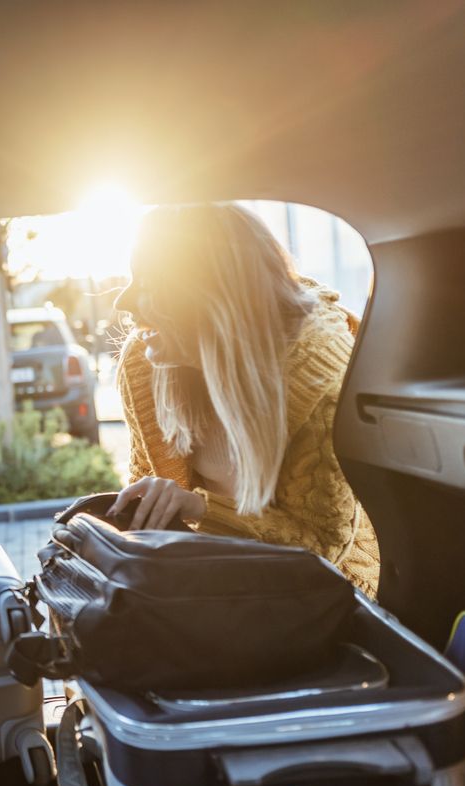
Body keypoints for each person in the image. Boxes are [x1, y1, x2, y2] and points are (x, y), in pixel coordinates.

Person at [110, 203, 380, 598]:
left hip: (320, 598)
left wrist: (199, 509)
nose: (124, 302)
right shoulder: (144, 363)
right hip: (214, 579)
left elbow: (322, 547)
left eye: (147, 283)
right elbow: (147, 487)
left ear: (206, 293)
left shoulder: (318, 379)